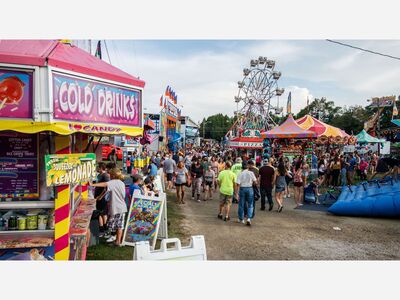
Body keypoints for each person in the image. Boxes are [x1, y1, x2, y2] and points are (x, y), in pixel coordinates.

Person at [90, 168, 127, 246]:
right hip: (122, 207)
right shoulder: (121, 183)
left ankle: (116, 240)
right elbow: (106, 189)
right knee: (120, 226)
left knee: (116, 225)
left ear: (113, 175)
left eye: (110, 174)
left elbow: (105, 184)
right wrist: (100, 197)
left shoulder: (113, 182)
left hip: (116, 207)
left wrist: (92, 184)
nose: (109, 176)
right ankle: (117, 241)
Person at [235, 162, 257, 226]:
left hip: (242, 189)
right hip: (250, 189)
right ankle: (249, 219)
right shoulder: (251, 173)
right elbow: (255, 182)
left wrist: (236, 193)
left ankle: (241, 219)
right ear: (247, 166)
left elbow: (237, 184)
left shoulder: (240, 174)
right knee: (250, 204)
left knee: (241, 204)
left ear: (242, 167)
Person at [94, 162, 110, 237]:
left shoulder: (105, 175)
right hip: (97, 197)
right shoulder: (99, 175)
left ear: (101, 168)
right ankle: (101, 229)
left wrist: (101, 196)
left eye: (98, 167)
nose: (97, 168)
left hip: (102, 198)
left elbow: (106, 188)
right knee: (99, 213)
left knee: (103, 213)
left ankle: (105, 228)